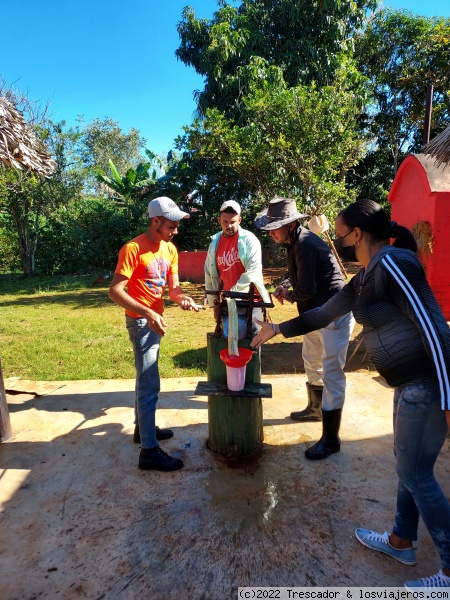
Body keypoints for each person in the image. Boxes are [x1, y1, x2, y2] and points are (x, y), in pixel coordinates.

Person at [251, 198, 450, 591]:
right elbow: (322, 312)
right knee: (409, 468)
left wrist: (448, 396)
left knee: (415, 473)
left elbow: (435, 329)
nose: (336, 239)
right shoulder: (367, 275)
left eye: (340, 233)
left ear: (357, 234)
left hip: (425, 385)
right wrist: (277, 330)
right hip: (408, 385)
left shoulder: (395, 263)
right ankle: (401, 541)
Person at [254, 196, 354, 460]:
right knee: (311, 360)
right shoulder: (294, 242)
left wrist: (289, 294)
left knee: (332, 373)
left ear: (290, 224)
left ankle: (331, 440)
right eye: (271, 228)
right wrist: (287, 284)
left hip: (334, 315)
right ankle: (315, 408)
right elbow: (301, 276)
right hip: (314, 314)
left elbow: (307, 288)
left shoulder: (306, 243)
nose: (272, 232)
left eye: (276, 227)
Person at [109, 196, 199, 472]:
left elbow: (172, 289)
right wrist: (148, 314)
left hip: (154, 320)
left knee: (145, 379)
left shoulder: (169, 249)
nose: (175, 231)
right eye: (171, 226)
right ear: (155, 221)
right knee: (150, 384)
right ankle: (148, 452)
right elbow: (115, 291)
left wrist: (183, 298)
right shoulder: (133, 249)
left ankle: (142, 430)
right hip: (140, 322)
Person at [204, 200, 271, 338]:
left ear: (239, 220)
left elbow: (252, 272)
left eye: (233, 222)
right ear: (219, 220)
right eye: (225, 222)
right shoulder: (214, 243)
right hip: (226, 302)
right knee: (229, 337)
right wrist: (214, 302)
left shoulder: (249, 240)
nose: (229, 226)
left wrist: (232, 294)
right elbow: (209, 273)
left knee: (252, 339)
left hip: (250, 300)